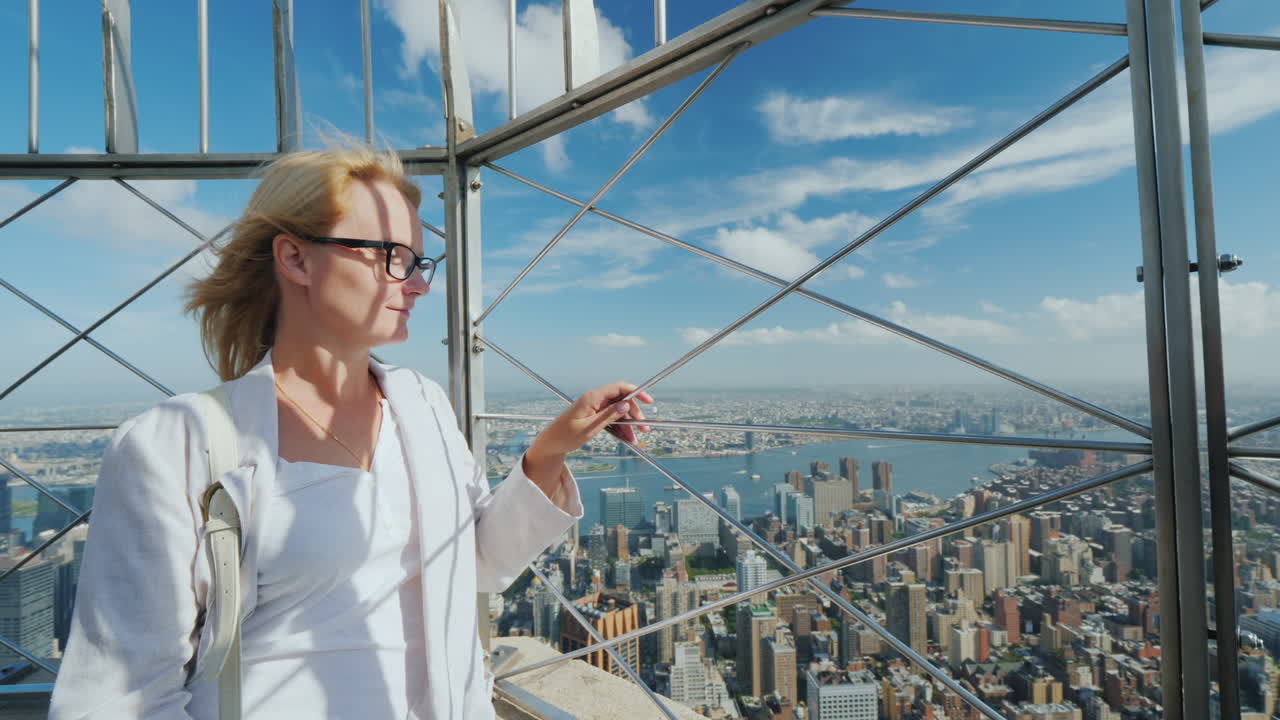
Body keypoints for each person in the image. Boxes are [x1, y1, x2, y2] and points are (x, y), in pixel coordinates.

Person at [48, 147, 652, 719]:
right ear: (296, 258)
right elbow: (116, 698)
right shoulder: (174, 443)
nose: (415, 284)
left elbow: (474, 564)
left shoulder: (423, 405)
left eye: (419, 263)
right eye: (391, 255)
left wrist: (549, 453)